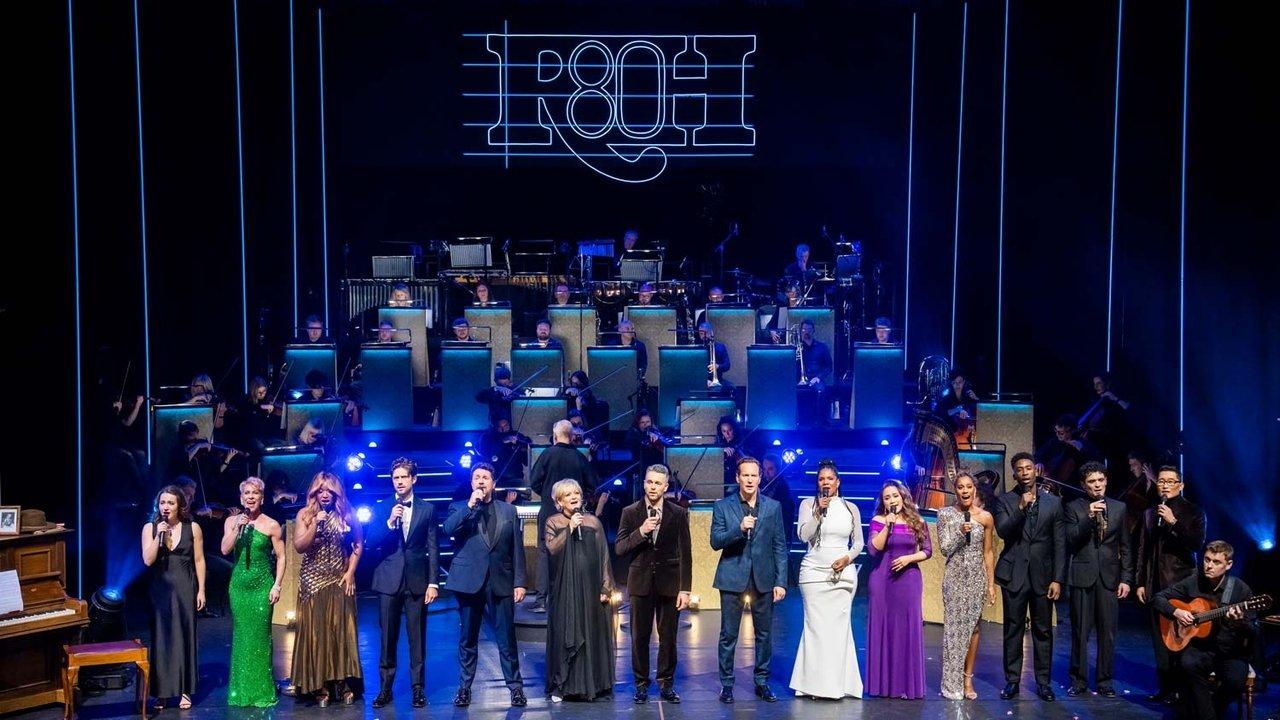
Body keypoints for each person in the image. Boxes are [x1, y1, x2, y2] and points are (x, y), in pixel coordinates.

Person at [444, 463, 529, 708]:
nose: (481, 481)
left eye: (485, 477)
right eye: (476, 477)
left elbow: (517, 548)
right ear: (472, 483)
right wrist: (470, 506)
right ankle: (464, 688)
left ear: (493, 483)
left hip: (500, 581)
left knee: (507, 638)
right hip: (469, 582)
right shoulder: (459, 507)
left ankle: (516, 688)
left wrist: (520, 582)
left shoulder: (508, 510)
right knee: (468, 639)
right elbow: (448, 529)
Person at [710, 456, 788, 704]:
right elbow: (715, 541)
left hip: (763, 578)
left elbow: (779, 546)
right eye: (745, 475)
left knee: (763, 634)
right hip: (732, 576)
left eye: (754, 475)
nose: (750, 480)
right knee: (728, 634)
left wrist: (781, 581)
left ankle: (762, 681)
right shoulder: (723, 506)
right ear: (737, 477)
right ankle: (727, 684)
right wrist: (739, 528)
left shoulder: (773, 507)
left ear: (760, 478)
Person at [365, 457, 440, 709]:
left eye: (403, 477)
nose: (399, 482)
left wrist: (433, 583)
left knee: (417, 637)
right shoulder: (381, 507)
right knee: (388, 637)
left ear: (413, 479)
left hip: (417, 580)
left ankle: (418, 688)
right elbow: (371, 541)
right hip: (388, 579)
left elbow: (433, 547)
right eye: (395, 477)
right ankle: (385, 689)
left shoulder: (427, 509)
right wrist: (389, 522)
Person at [1155, 540, 1260, 720]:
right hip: (1201, 648)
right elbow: (1159, 598)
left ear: (1229, 564)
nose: (1209, 565)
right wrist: (1176, 612)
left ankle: (1211, 710)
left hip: (1230, 652)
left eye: (1216, 562)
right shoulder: (1194, 581)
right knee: (1187, 664)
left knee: (1235, 680)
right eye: (1207, 559)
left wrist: (1239, 621)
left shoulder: (1240, 589)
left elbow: (1253, 631)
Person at [615, 465, 692, 704]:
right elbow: (620, 548)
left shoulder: (678, 513)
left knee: (668, 637)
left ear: (666, 487)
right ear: (644, 483)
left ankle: (666, 683)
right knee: (639, 637)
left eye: (658, 483)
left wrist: (685, 588)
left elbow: (686, 552)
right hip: (640, 582)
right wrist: (641, 531)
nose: (653, 487)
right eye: (649, 482)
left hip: (669, 582)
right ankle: (641, 684)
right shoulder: (630, 512)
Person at [993, 452, 1066, 702]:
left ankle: (1043, 683)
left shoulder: (1053, 503)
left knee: (1043, 630)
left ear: (1036, 470)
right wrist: (1021, 508)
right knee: (1013, 629)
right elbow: (1003, 531)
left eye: (1028, 468)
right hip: (1014, 574)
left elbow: (1059, 543)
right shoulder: (1005, 500)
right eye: (1019, 469)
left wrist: (1057, 578)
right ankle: (1012, 680)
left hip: (1043, 576)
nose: (1024, 472)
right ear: (1014, 474)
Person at [790, 459, 864, 700]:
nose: (825, 482)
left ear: (838, 482)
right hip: (813, 573)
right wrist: (818, 513)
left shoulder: (851, 508)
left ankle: (839, 685)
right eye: (821, 479)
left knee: (838, 630)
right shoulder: (808, 504)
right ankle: (812, 685)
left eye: (830, 479)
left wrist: (846, 559)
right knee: (816, 629)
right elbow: (803, 536)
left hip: (842, 575)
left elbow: (859, 543)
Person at [291, 472, 364, 707]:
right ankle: (319, 684)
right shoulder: (305, 515)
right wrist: (315, 524)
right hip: (312, 580)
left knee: (340, 631)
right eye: (320, 490)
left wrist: (350, 572)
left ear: (336, 493)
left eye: (329, 491)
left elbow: (358, 543)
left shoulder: (348, 513)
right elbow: (299, 546)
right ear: (314, 493)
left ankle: (342, 682)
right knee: (317, 633)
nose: (325, 495)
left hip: (339, 578)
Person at [1135, 465, 1206, 705]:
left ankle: (1182, 689)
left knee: (1181, 637)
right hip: (1155, 585)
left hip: (1182, 583)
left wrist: (1173, 522)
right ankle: (1165, 688)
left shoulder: (1193, 511)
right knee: (1160, 640)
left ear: (1180, 485)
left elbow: (1196, 544)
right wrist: (1141, 582)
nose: (1164, 485)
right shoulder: (1149, 512)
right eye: (1161, 481)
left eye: (1170, 481)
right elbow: (1143, 549)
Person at [1063, 462, 1135, 697]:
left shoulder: (1119, 507)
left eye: (1100, 480)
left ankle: (1104, 681)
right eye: (1092, 482)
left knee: (1108, 633)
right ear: (1083, 485)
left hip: (1109, 577)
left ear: (1106, 481)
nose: (1097, 485)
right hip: (1082, 577)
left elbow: (1125, 545)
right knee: (1080, 632)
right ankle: (1079, 680)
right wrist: (1088, 517)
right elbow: (1071, 539)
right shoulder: (1073, 507)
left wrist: (1126, 578)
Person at [544, 479, 616, 702]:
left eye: (576, 493)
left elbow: (604, 555)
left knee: (591, 631)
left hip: (591, 587)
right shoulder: (553, 522)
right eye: (568, 495)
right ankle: (563, 685)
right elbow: (551, 549)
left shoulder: (593, 522)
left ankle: (594, 684)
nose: (574, 497)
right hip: (565, 588)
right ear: (559, 501)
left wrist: (606, 586)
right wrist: (569, 528)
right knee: (568, 630)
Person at [221, 476, 286, 707]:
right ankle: (240, 691)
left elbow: (282, 557)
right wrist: (237, 527)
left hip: (262, 587)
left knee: (259, 636)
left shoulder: (271, 525)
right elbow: (225, 549)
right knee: (242, 636)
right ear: (241, 498)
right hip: (239, 587)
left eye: (255, 493)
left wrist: (277, 585)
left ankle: (261, 691)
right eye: (246, 493)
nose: (250, 497)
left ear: (262, 497)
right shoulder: (232, 521)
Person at [141, 485, 207, 711]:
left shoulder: (192, 528)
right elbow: (148, 560)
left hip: (185, 588)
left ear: (180, 505)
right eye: (162, 503)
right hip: (160, 590)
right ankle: (162, 692)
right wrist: (158, 536)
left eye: (171, 503)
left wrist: (201, 590)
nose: (166, 507)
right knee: (162, 638)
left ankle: (184, 689)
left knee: (184, 636)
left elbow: (199, 560)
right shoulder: (150, 528)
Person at [866, 479, 932, 699]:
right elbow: (874, 550)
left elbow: (927, 550)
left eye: (895, 496)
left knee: (907, 628)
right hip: (881, 580)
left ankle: (906, 685)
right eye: (887, 497)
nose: (892, 500)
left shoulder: (918, 521)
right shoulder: (878, 520)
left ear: (903, 497)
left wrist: (908, 559)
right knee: (883, 627)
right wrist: (888, 525)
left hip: (909, 580)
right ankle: (882, 685)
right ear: (883, 502)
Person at [937, 473, 996, 700]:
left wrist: (990, 584)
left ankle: (967, 679)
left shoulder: (986, 517)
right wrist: (961, 533)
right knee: (953, 630)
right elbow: (945, 549)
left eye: (969, 486)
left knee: (973, 628)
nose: (965, 491)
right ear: (955, 490)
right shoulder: (945, 515)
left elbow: (987, 552)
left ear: (974, 489)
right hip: (954, 578)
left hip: (976, 578)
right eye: (960, 487)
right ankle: (951, 682)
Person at [527, 420, 596, 612]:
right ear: (572, 436)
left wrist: (550, 497)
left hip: (549, 512)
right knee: (575, 553)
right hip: (574, 515)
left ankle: (541, 601)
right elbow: (592, 486)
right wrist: (576, 501)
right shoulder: (580, 457)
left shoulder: (547, 454)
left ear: (555, 436)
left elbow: (534, 481)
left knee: (544, 553)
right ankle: (573, 600)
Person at [759, 454, 796, 544]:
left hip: (778, 538)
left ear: (778, 469)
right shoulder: (761, 484)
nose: (766, 473)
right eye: (764, 469)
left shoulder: (783, 488)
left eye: (770, 469)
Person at [938, 370, 978, 446]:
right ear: (951, 383)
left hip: (970, 434)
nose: (957, 385)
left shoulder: (968, 397)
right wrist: (957, 409)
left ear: (964, 382)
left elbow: (978, 411)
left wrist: (976, 399)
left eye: (960, 382)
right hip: (952, 435)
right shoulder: (946, 398)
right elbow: (943, 413)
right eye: (954, 382)